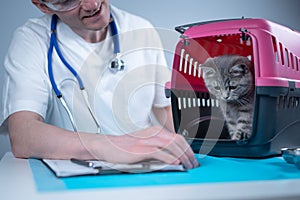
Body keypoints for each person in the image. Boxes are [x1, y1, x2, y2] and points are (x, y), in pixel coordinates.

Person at [0, 0, 199, 169]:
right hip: (74, 180)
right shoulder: (32, 40)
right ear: (43, 6)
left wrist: (195, 141)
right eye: (68, 0)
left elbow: (164, 110)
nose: (92, 5)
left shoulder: (141, 29)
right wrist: (114, 146)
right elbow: (23, 135)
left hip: (145, 170)